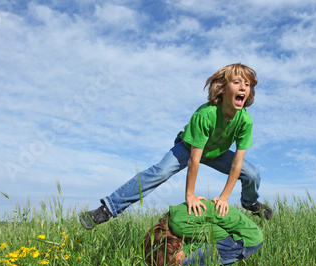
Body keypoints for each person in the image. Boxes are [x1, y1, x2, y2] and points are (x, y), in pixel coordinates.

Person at [80, 63, 273, 230]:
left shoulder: (245, 121)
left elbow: (236, 164)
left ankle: (250, 203)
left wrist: (224, 197)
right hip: (189, 148)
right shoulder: (205, 115)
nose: (243, 88)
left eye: (247, 84)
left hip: (216, 153)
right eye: (237, 82)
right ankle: (107, 209)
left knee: (252, 174)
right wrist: (190, 195)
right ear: (222, 88)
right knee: (160, 172)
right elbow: (194, 160)